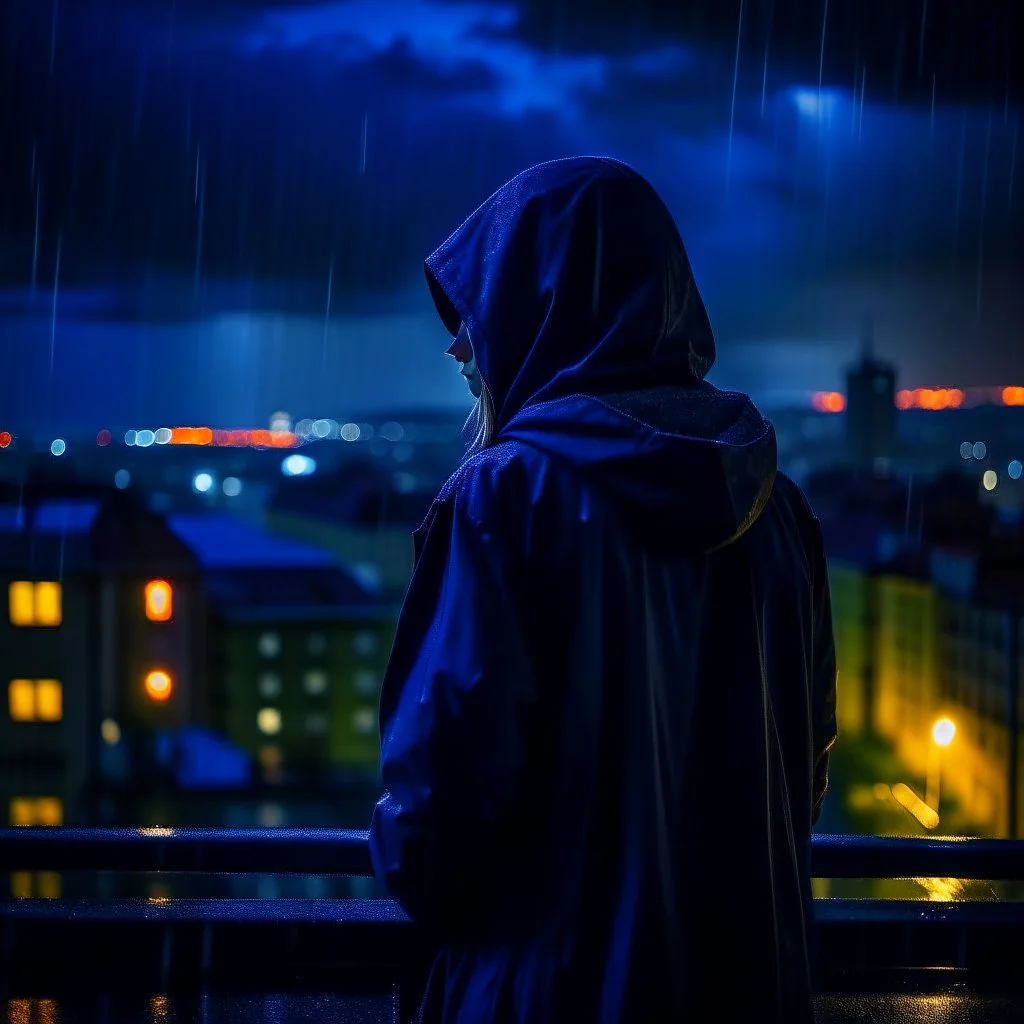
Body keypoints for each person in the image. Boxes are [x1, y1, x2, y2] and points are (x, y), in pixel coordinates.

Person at [369, 156, 838, 1024]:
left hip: (545, 995)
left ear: (543, 309)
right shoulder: (781, 510)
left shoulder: (504, 501)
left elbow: (434, 825)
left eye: (480, 310)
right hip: (746, 990)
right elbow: (800, 779)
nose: (459, 347)